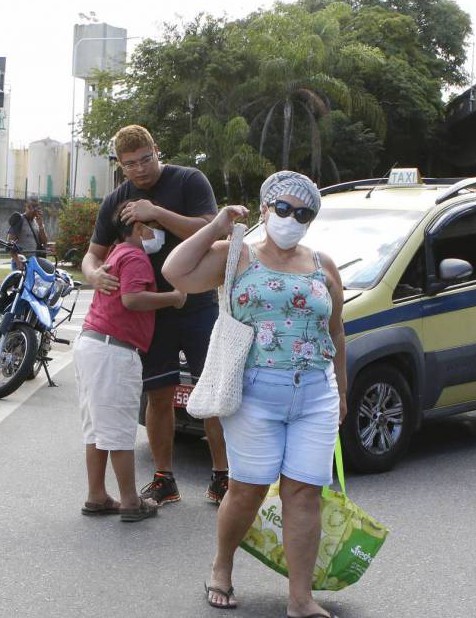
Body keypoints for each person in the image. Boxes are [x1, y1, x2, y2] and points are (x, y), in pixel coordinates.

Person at [163, 171, 347, 618]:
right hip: (255, 393)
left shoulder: (323, 264)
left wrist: (341, 389)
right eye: (282, 208)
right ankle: (221, 566)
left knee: (304, 493)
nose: (292, 219)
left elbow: (336, 331)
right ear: (264, 209)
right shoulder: (237, 256)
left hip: (315, 394)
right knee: (247, 489)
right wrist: (216, 224)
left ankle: (300, 599)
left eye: (303, 213)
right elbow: (176, 271)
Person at [82, 124, 229, 505]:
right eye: (130, 164)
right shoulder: (117, 198)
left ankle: (222, 475)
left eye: (145, 159)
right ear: (120, 165)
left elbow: (211, 230)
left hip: (198, 306)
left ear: (157, 150)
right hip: (153, 314)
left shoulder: (188, 181)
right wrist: (93, 274)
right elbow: (93, 252)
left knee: (211, 392)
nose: (140, 170)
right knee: (158, 395)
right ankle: (165, 477)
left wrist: (157, 213)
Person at [74, 198, 187, 521]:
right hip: (114, 351)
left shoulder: (116, 253)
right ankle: (129, 502)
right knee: (120, 429)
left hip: (92, 344)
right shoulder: (136, 257)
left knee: (96, 428)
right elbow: (133, 299)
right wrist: (174, 298)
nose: (158, 236)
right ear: (138, 228)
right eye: (154, 229)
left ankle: (97, 494)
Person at [7, 196, 49, 270]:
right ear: (26, 206)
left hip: (33, 262)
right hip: (21, 262)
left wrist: (41, 226)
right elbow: (10, 243)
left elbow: (44, 241)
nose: (34, 209)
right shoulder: (19, 220)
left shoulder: (37, 222)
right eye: (31, 206)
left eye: (36, 207)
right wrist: (18, 262)